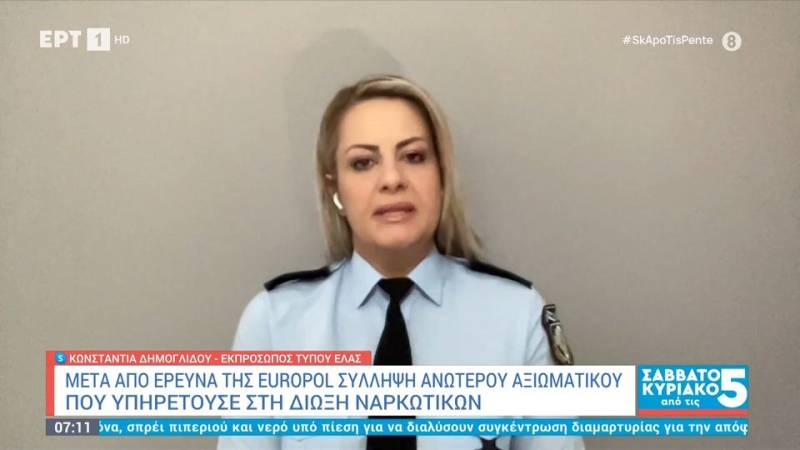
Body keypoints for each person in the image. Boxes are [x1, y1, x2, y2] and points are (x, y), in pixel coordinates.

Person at [217, 74, 584, 450]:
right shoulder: (274, 323)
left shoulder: (517, 316)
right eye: (363, 162)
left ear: (441, 176)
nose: (392, 179)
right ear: (334, 188)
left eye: (414, 157)